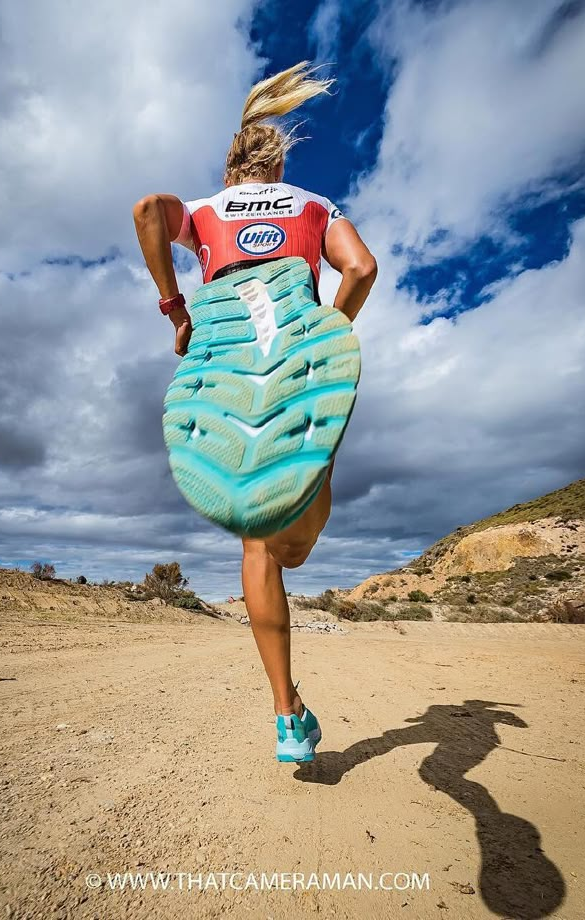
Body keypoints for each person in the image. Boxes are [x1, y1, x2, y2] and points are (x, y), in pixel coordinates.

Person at [133, 62, 377, 763]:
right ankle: (289, 707)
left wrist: (175, 309)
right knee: (296, 539)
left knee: (260, 540)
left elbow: (148, 209)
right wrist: (325, 337)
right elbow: (360, 269)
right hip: (300, 369)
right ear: (278, 164)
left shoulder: (207, 212)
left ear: (231, 165)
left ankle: (285, 713)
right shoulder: (314, 206)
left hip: (227, 359)